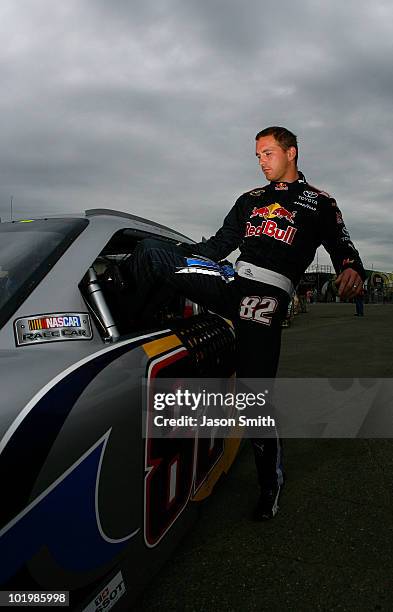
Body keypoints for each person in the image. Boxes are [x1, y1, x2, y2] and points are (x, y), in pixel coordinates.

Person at [130, 126, 366, 520]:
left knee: (255, 398)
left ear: (292, 152)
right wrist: (181, 253)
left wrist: (351, 268)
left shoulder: (319, 202)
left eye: (269, 153)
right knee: (151, 253)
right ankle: (134, 333)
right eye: (257, 155)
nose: (262, 161)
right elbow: (217, 245)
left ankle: (270, 481)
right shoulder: (250, 199)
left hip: (266, 296)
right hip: (229, 279)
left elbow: (343, 246)